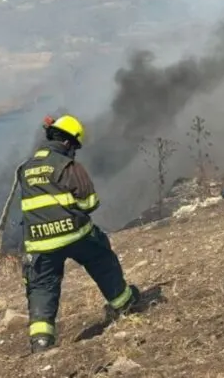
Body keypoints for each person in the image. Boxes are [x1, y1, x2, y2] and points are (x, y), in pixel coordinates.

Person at [14, 114, 141, 353]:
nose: (74, 151)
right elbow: (90, 202)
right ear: (67, 143)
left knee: (42, 287)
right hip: (74, 234)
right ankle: (124, 303)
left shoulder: (25, 168)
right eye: (74, 147)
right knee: (102, 259)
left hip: (39, 242)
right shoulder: (66, 166)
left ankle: (41, 342)